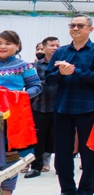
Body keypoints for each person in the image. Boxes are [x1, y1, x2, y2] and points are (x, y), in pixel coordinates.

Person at [47, 14, 94, 195]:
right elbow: (49, 80)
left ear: (90, 29)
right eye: (72, 25)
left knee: (88, 151)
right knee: (62, 151)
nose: (75, 28)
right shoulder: (61, 51)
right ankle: (67, 190)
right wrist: (60, 73)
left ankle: (86, 190)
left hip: (87, 107)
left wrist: (74, 71)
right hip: (63, 106)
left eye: (80, 25)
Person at [0, 31, 42, 195]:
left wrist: (19, 96)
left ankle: (7, 193)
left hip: (14, 118)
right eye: (0, 43)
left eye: (8, 43)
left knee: (12, 155)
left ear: (17, 46)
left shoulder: (25, 66)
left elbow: (36, 87)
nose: (3, 46)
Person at [26, 36, 59, 178]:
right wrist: (55, 79)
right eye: (52, 45)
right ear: (43, 48)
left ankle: (61, 167)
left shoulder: (62, 65)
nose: (55, 48)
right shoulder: (35, 66)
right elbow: (33, 84)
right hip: (40, 106)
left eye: (57, 45)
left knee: (61, 138)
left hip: (60, 107)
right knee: (38, 138)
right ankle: (36, 166)